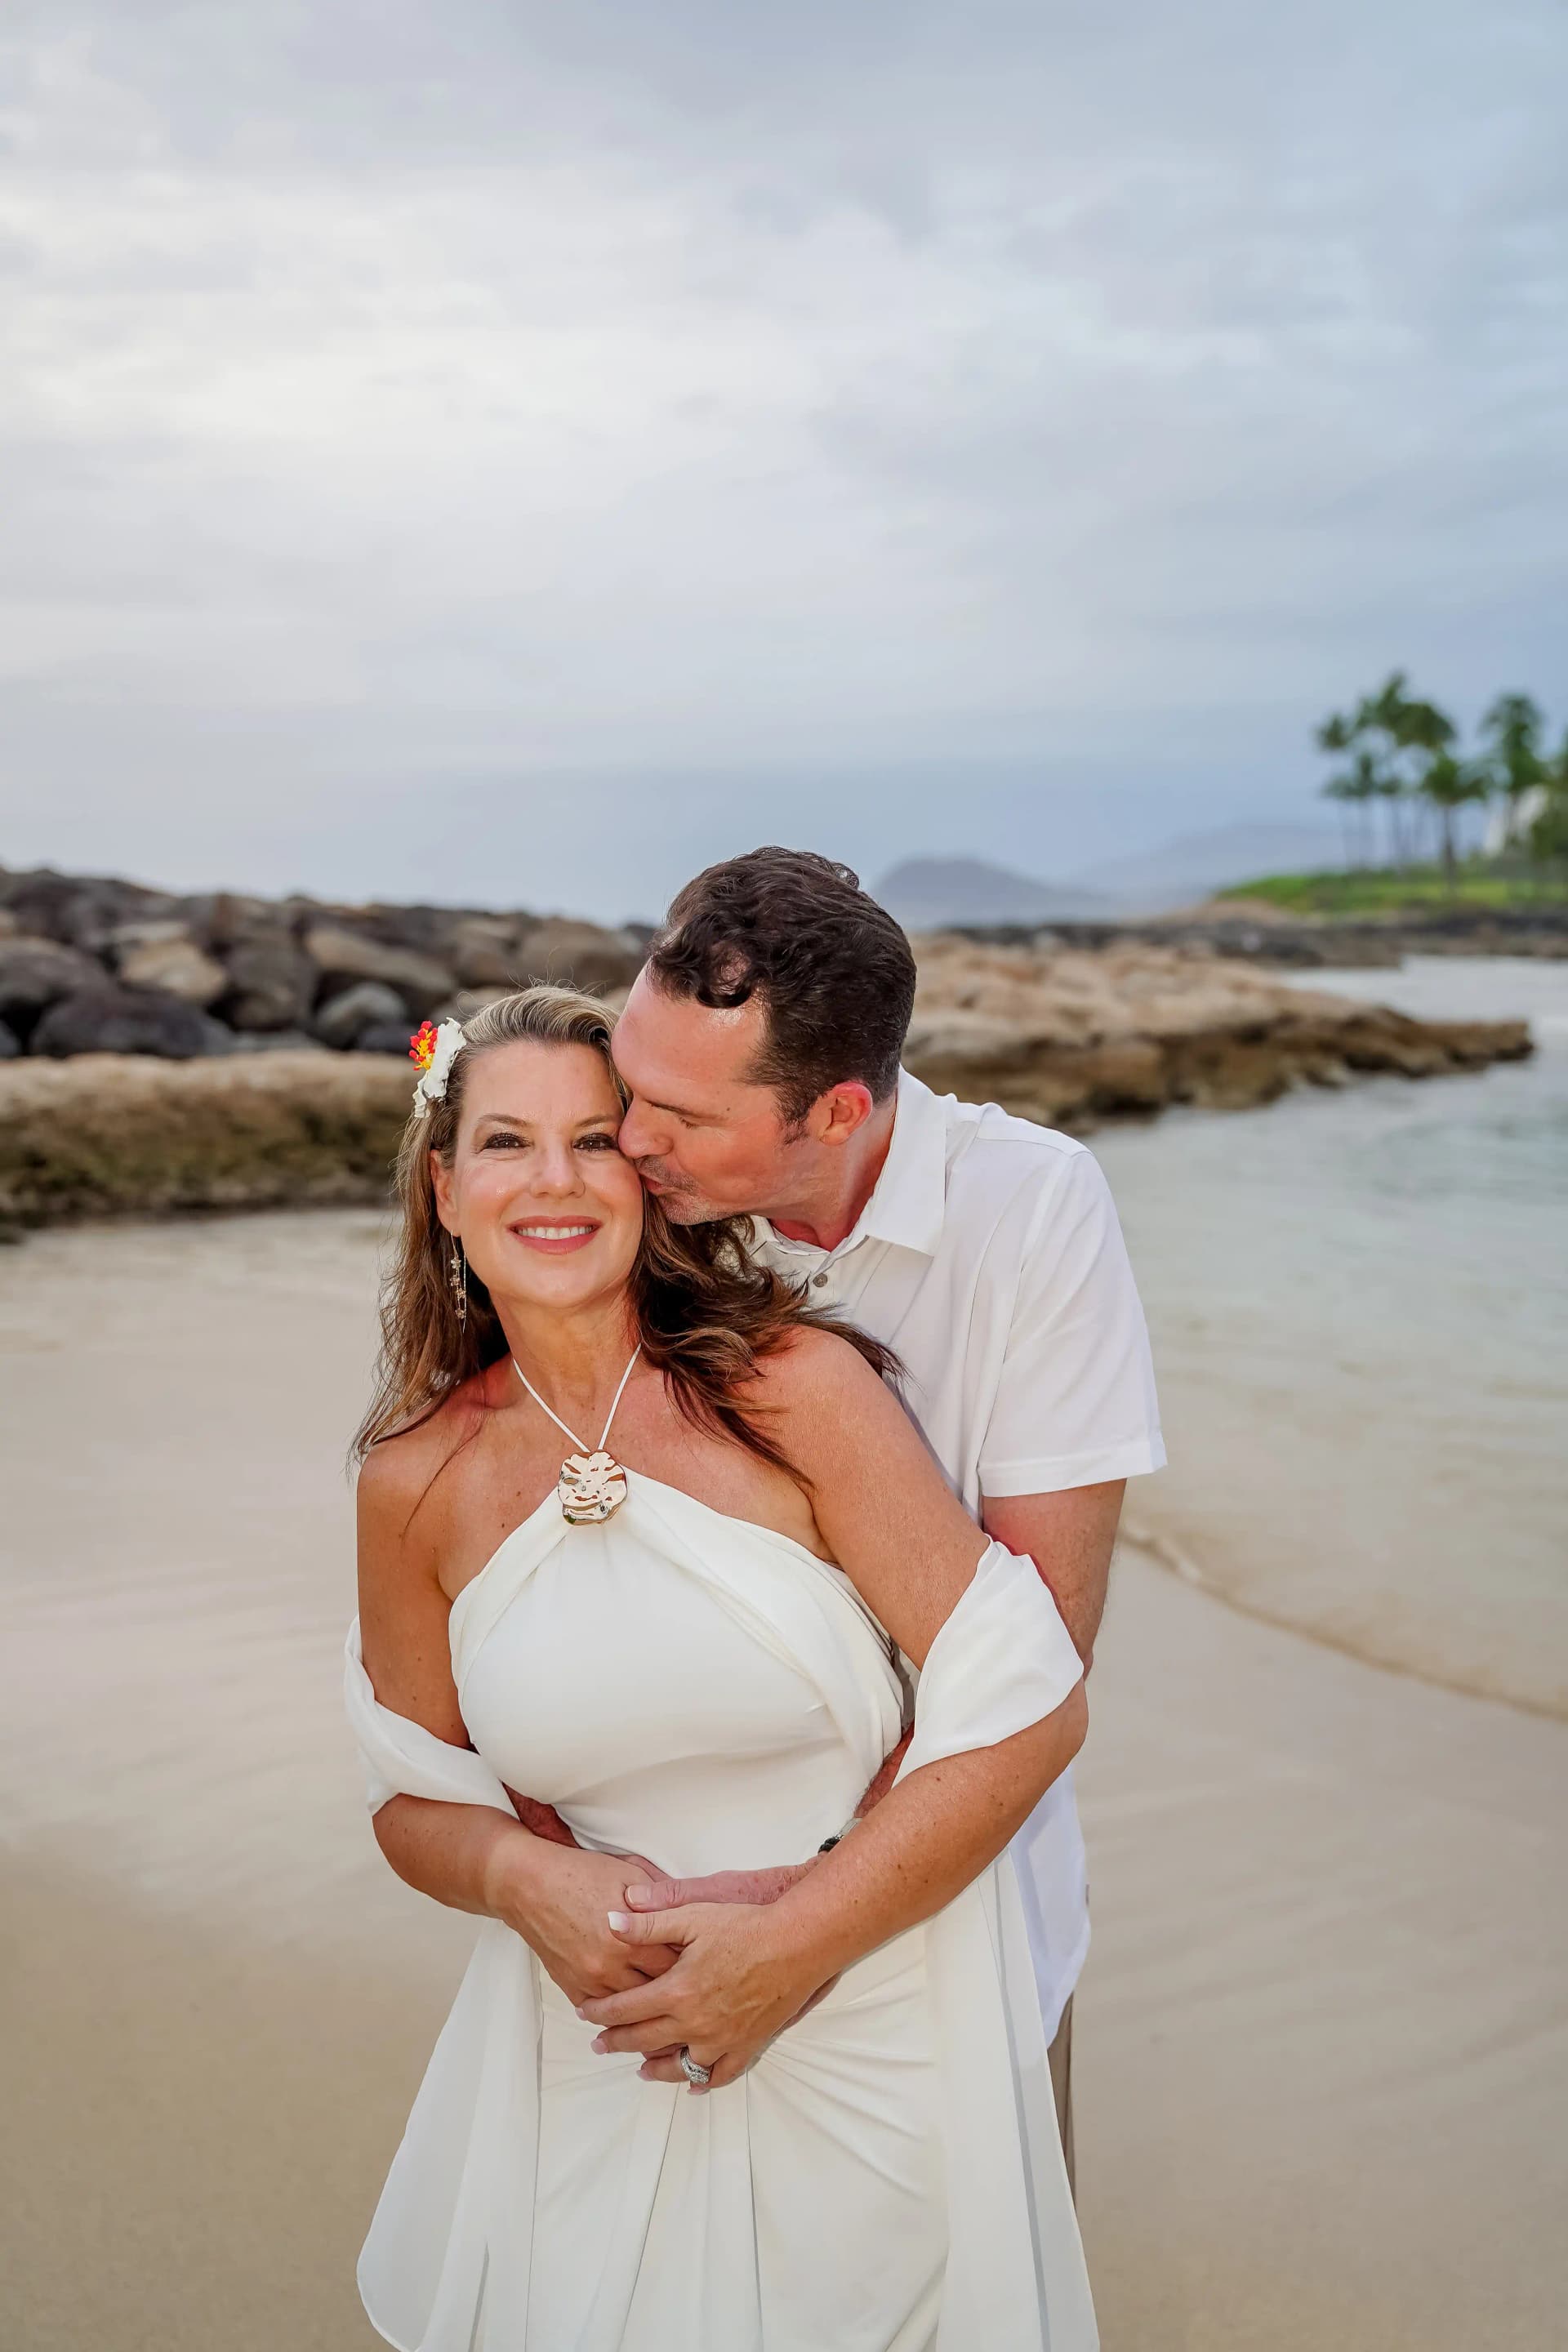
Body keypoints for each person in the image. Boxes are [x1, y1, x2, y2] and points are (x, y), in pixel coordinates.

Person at [348, 984, 1098, 2352]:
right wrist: (530, 1881)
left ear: (650, 1180)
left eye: (594, 1141)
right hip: (601, 2044)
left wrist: (790, 1943)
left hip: (872, 2024)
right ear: (447, 1189)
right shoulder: (414, 1481)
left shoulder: (793, 1389)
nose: (556, 1182)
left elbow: (1029, 1701)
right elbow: (413, 1801)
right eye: (508, 1144)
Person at [599, 846, 1167, 2177]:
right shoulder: (628, 1202)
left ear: (837, 1110)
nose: (630, 1140)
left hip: (954, 1905)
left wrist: (799, 1934)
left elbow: (1037, 1661)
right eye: (629, 1083)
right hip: (652, 1922)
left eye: (681, 1113)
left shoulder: (1031, 1211)